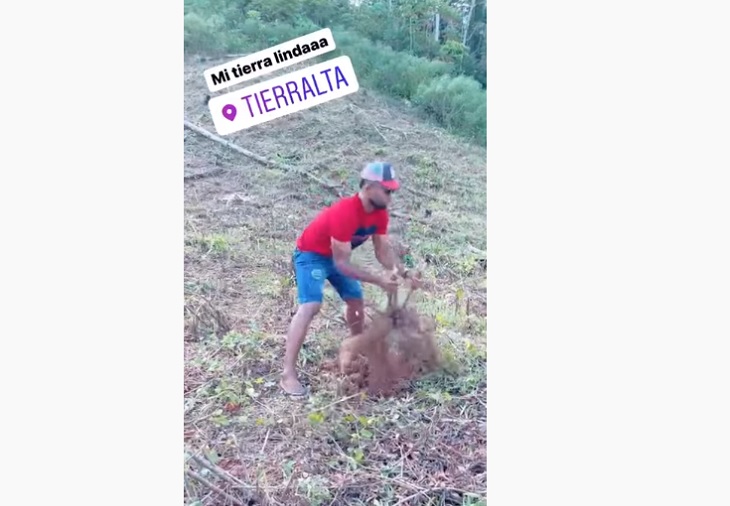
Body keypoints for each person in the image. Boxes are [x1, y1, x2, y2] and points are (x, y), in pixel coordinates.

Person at [280, 162, 414, 396]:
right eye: (388, 191)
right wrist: (379, 280)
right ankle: (287, 373)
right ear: (370, 187)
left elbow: (382, 251)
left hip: (335, 257)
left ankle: (356, 347)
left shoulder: (380, 214)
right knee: (311, 305)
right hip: (312, 256)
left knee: (355, 301)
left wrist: (401, 272)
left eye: (393, 191)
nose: (391, 197)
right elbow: (342, 263)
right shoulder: (345, 212)